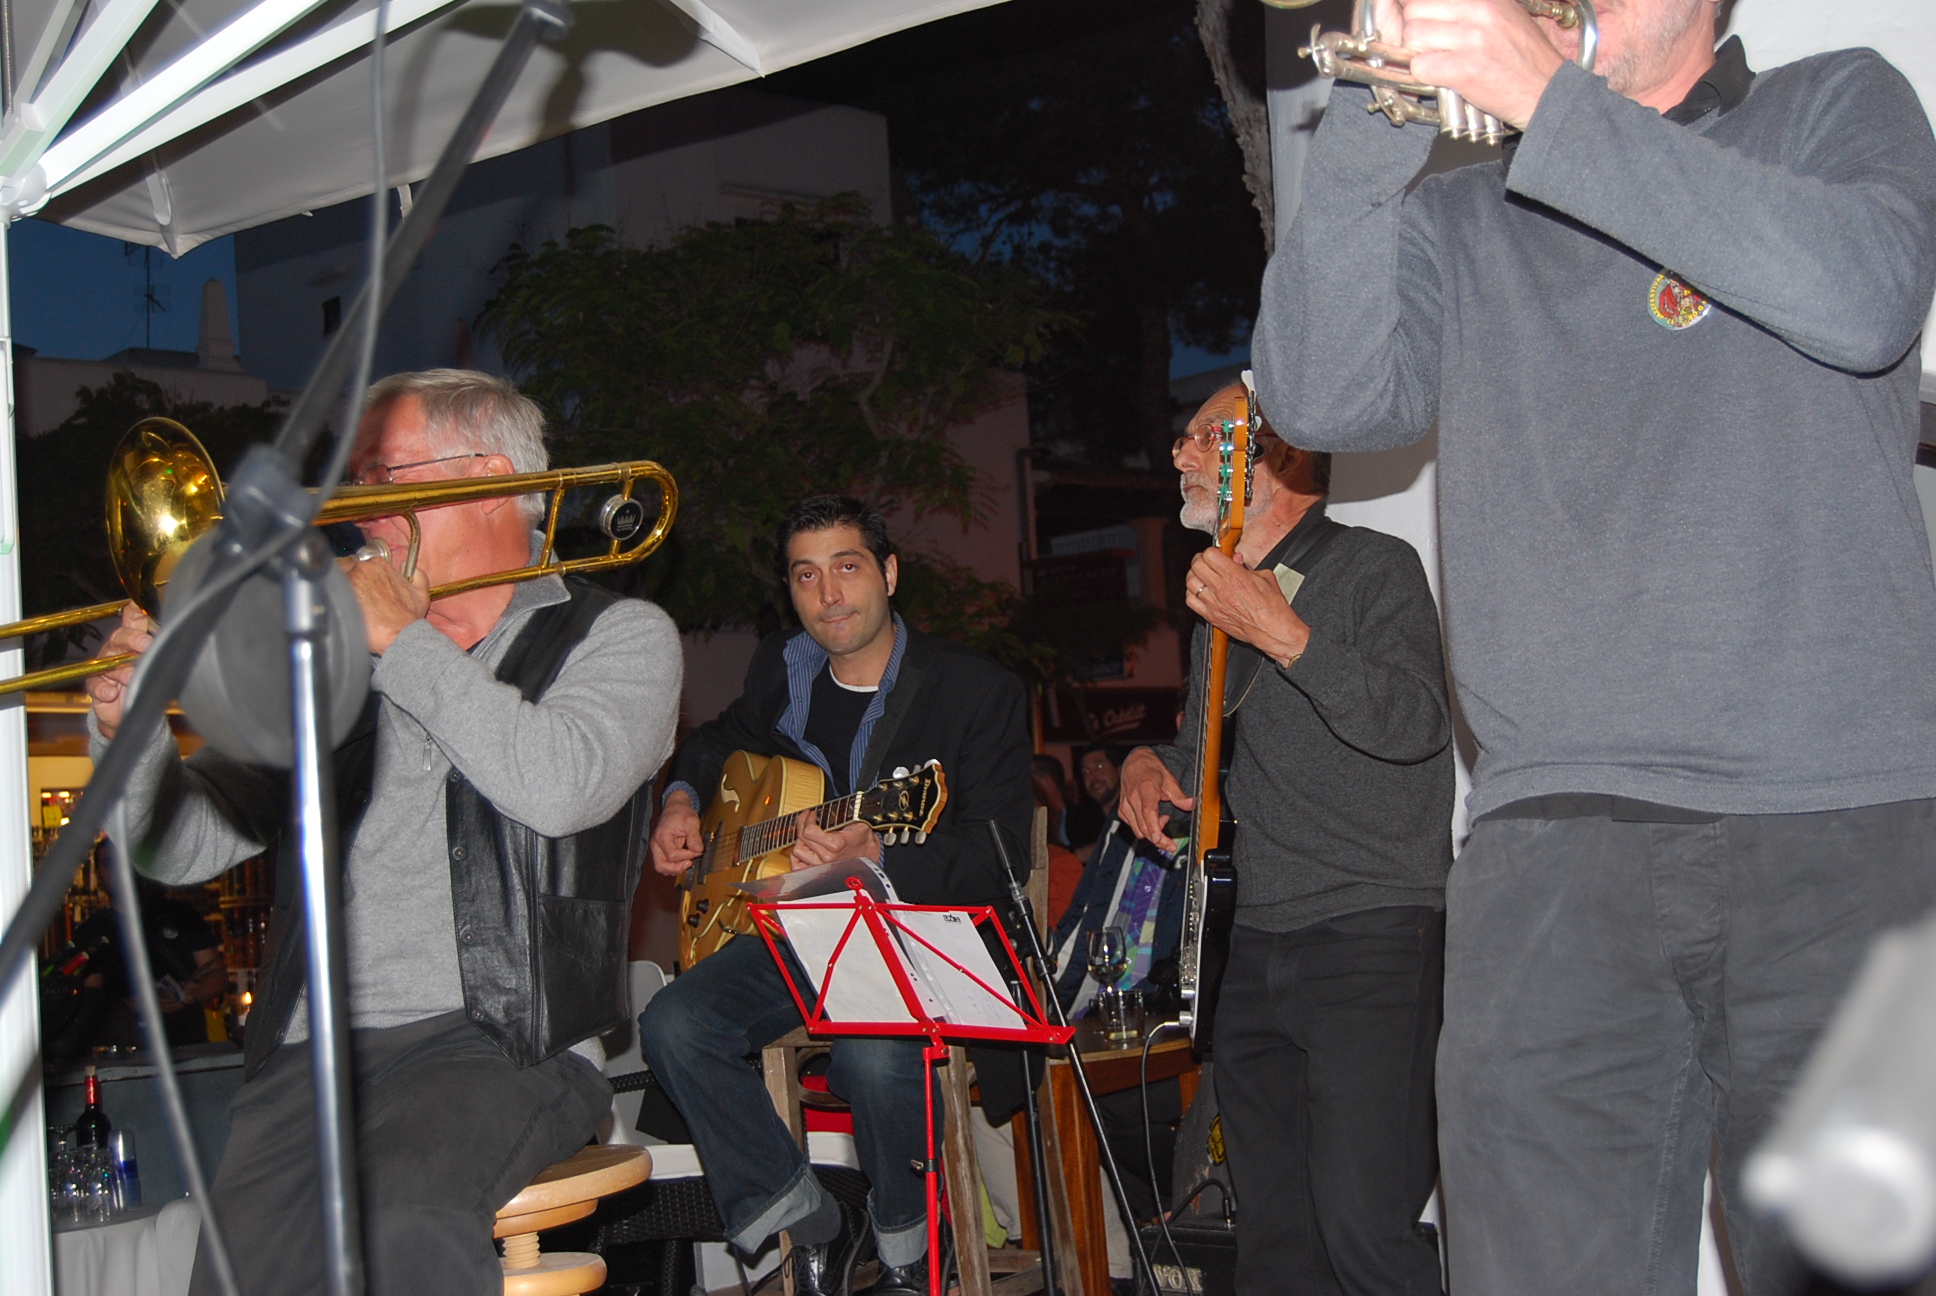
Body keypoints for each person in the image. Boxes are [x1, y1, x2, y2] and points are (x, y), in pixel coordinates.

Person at [1252, 2, 1936, 1290]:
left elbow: (1864, 300)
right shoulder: (1465, 213)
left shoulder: (1835, 102)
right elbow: (1319, 397)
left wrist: (1549, 105)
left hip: (1838, 833)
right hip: (1546, 858)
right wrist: (1375, 113)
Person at [84, 369, 683, 1296]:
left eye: (384, 478)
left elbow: (563, 786)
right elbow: (181, 846)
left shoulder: (620, 635)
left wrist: (404, 645)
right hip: (311, 1051)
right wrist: (130, 737)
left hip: (500, 1040)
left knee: (402, 1223)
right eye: (357, 481)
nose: (357, 510)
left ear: (488, 478)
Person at [639, 494, 1034, 1296]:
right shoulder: (782, 674)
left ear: (888, 574)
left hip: (923, 936)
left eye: (847, 567)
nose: (829, 594)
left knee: (874, 1052)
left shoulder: (973, 689)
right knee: (674, 1023)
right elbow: (716, 740)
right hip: (805, 933)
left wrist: (880, 851)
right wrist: (680, 800)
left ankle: (908, 1255)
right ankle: (807, 1218)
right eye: (806, 575)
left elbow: (998, 857)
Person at [1118, 384, 1453, 1295]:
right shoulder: (1222, 605)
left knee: (1363, 1234)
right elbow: (1202, 755)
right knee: (1274, 1244)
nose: (1180, 455)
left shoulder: (1373, 567)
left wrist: (1282, 632)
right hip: (1254, 943)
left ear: (1281, 459)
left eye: (1205, 437)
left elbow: (1417, 722)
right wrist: (1146, 763)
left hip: (1370, 938)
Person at [46, 875, 226, 1060]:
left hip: (188, 1045)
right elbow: (91, 1001)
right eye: (108, 864)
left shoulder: (181, 915)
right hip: (127, 1051)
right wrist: (139, 1003)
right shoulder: (93, 930)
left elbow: (216, 973)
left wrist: (191, 993)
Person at [1067, 744, 1123, 863]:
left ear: (1119, 770)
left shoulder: (1138, 812)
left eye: (1099, 766)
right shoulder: (1081, 822)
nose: (1092, 776)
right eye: (1086, 771)